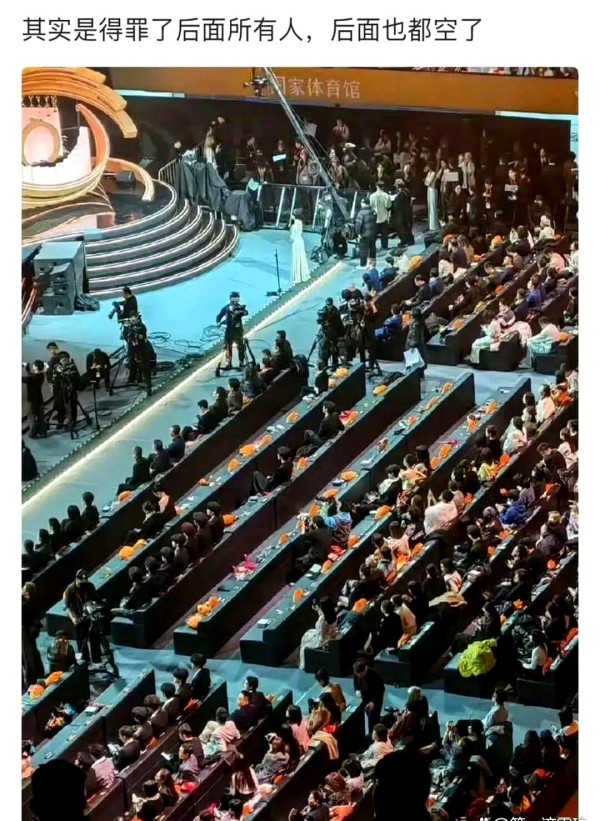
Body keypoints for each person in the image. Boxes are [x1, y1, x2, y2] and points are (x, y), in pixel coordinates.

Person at [63, 569, 97, 662]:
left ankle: (96, 659)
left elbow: (96, 599)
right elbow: (67, 607)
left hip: (89, 615)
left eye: (85, 581)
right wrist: (73, 618)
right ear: (77, 579)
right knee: (81, 640)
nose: (83, 584)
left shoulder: (90, 586)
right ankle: (85, 660)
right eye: (81, 581)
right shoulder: (70, 589)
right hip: (78, 617)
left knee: (94, 637)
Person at [299, 596, 338, 670]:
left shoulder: (323, 620)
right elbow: (322, 614)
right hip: (329, 634)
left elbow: (322, 638)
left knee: (305, 640)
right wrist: (317, 609)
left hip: (321, 640)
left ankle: (304, 664)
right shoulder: (333, 613)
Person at [216, 292, 248, 370]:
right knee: (228, 347)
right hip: (229, 331)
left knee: (240, 347)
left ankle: (241, 362)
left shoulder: (240, 307)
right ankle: (228, 363)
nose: (235, 300)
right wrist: (218, 322)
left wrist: (241, 312)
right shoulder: (226, 308)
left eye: (237, 298)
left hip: (238, 331)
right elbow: (219, 316)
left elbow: (246, 312)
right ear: (230, 299)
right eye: (234, 298)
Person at [353, 660, 385, 733]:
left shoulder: (375, 675)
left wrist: (373, 702)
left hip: (375, 699)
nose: (358, 676)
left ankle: (375, 734)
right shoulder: (357, 672)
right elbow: (355, 679)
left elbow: (381, 690)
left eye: (359, 675)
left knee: (373, 719)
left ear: (363, 671)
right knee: (367, 715)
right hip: (365, 698)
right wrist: (357, 689)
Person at [22, 582, 44, 685]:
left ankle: (31, 680)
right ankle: (39, 673)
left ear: (27, 593)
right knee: (33, 652)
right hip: (31, 632)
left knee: (28, 655)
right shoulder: (33, 602)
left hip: (26, 632)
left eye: (23, 589)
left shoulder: (25, 606)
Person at [22, 360, 47, 438]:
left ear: (36, 367)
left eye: (33, 365)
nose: (32, 366)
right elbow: (31, 375)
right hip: (39, 399)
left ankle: (32, 433)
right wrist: (27, 368)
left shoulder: (32, 378)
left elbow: (24, 379)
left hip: (32, 400)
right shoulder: (41, 375)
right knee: (41, 417)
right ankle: (43, 432)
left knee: (31, 417)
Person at [290, 211, 311, 286]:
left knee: (296, 258)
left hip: (296, 243)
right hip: (300, 241)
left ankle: (297, 276)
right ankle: (303, 274)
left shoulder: (293, 227)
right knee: (302, 257)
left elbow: (292, 237)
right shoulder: (300, 223)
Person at [355, 198, 377, 267]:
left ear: (364, 203)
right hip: (373, 233)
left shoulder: (361, 213)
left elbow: (358, 224)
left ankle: (363, 264)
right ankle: (373, 263)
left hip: (364, 234)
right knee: (372, 248)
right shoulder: (373, 211)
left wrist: (358, 233)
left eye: (362, 203)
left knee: (363, 250)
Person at [370, 181, 392, 250]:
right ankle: (384, 247)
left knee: (373, 234)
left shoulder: (372, 196)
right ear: (383, 187)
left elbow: (371, 206)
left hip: (375, 218)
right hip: (384, 217)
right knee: (384, 234)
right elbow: (388, 206)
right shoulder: (386, 195)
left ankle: (372, 247)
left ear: (376, 186)